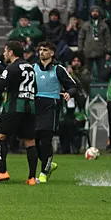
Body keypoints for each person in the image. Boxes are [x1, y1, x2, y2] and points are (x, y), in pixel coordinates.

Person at [0, 40, 38, 184]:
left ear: (11, 52)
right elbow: (35, 89)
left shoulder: (12, 68)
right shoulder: (30, 67)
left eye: (5, 51)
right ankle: (32, 178)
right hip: (30, 106)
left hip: (14, 106)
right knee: (29, 141)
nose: (4, 54)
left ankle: (2, 171)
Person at [33, 41, 78, 183]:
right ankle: (48, 164)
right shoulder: (33, 67)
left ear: (52, 53)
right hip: (35, 106)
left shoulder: (58, 69)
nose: (41, 52)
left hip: (51, 106)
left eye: (45, 50)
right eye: (40, 49)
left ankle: (43, 173)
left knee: (46, 139)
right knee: (33, 140)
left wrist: (69, 93)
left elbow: (73, 86)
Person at [78, 5, 111, 79]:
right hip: (88, 52)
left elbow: (108, 39)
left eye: (97, 11)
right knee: (86, 75)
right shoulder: (85, 25)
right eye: (93, 11)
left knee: (102, 75)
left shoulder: (104, 25)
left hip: (100, 52)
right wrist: (80, 50)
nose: (95, 13)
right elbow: (81, 38)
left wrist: (109, 51)